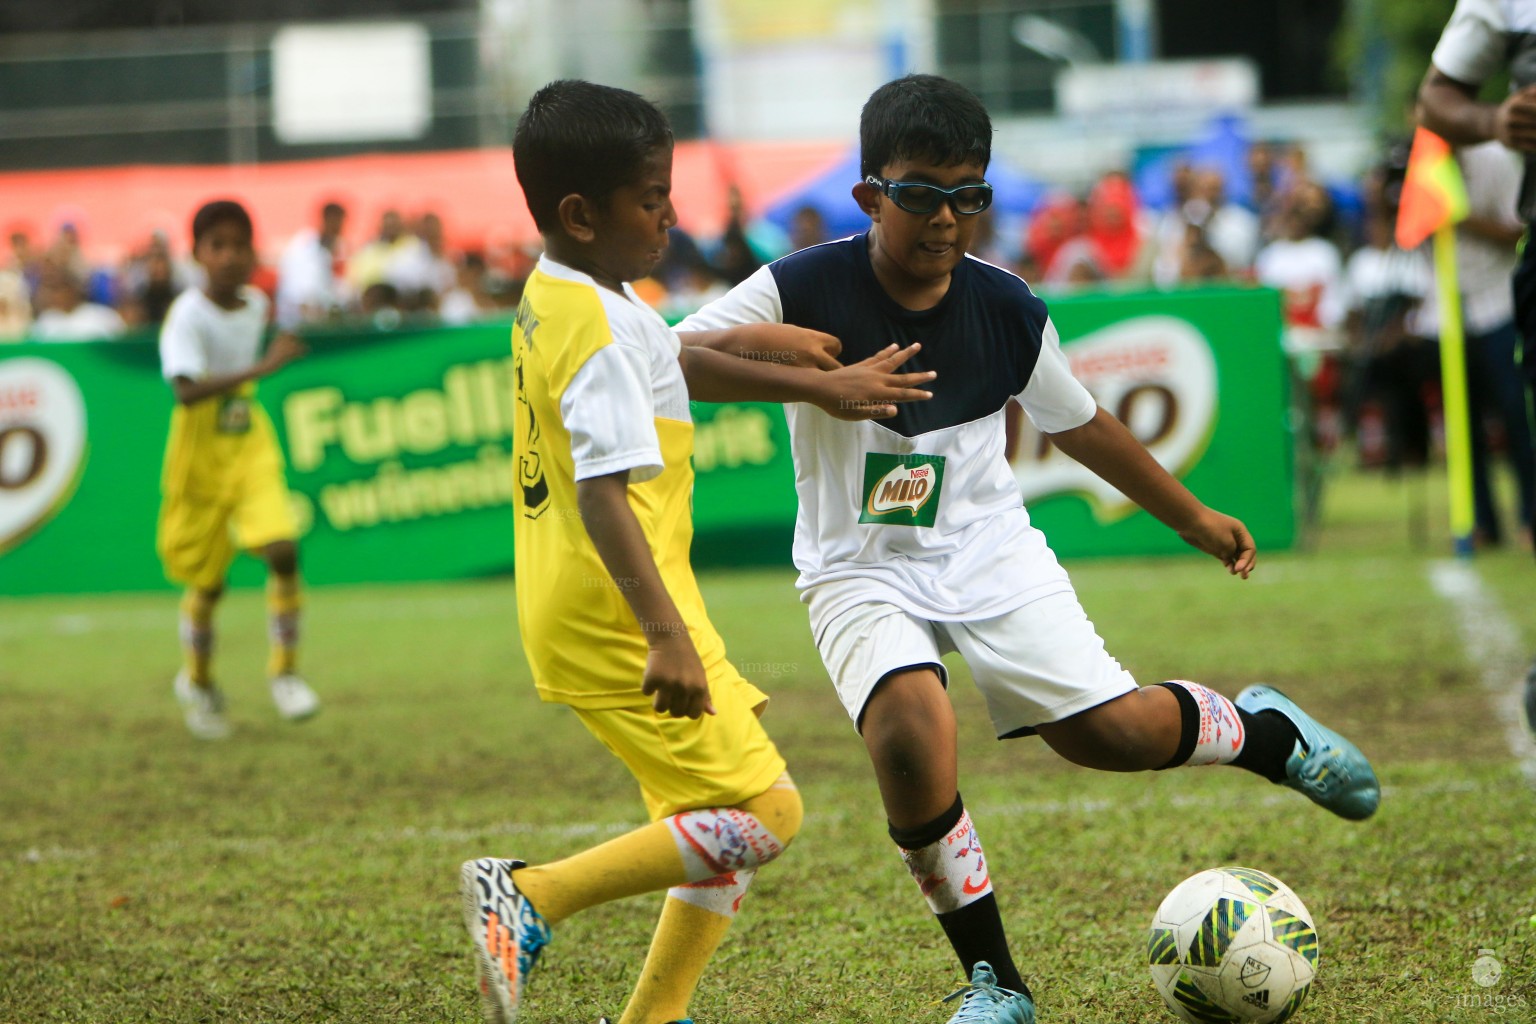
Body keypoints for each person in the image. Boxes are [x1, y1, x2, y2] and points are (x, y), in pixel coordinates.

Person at [678, 74, 1380, 1024]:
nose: (945, 219)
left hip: (986, 548)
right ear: (870, 194)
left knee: (1110, 737)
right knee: (909, 731)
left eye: (969, 194)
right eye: (921, 192)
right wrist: (816, 384)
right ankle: (997, 984)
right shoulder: (803, 282)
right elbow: (669, 360)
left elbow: (1084, 425)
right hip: (856, 566)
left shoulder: (1006, 307)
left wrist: (1193, 518)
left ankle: (1265, 735)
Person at [459, 79, 938, 1024]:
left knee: (711, 824)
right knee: (767, 812)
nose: (671, 214)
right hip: (618, 609)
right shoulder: (595, 328)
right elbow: (603, 493)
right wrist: (666, 636)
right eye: (650, 198)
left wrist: (810, 376)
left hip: (598, 600)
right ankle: (530, 893)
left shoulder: (570, 293)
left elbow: (670, 358)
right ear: (580, 213)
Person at [156, 199, 320, 740]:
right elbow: (184, 392)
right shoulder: (187, 316)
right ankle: (198, 683)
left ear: (255, 252)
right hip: (200, 447)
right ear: (197, 254)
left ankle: (285, 674)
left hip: (246, 435)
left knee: (282, 546)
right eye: (216, 246)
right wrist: (264, 367)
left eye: (239, 245)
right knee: (208, 583)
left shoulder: (255, 303)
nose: (229, 256)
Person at [1416, 0, 1536, 727]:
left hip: (1489, 308)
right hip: (1467, 310)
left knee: (1510, 433)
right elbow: (1437, 95)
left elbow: (1497, 225)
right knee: (1486, 432)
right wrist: (1495, 119)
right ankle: (1495, 521)